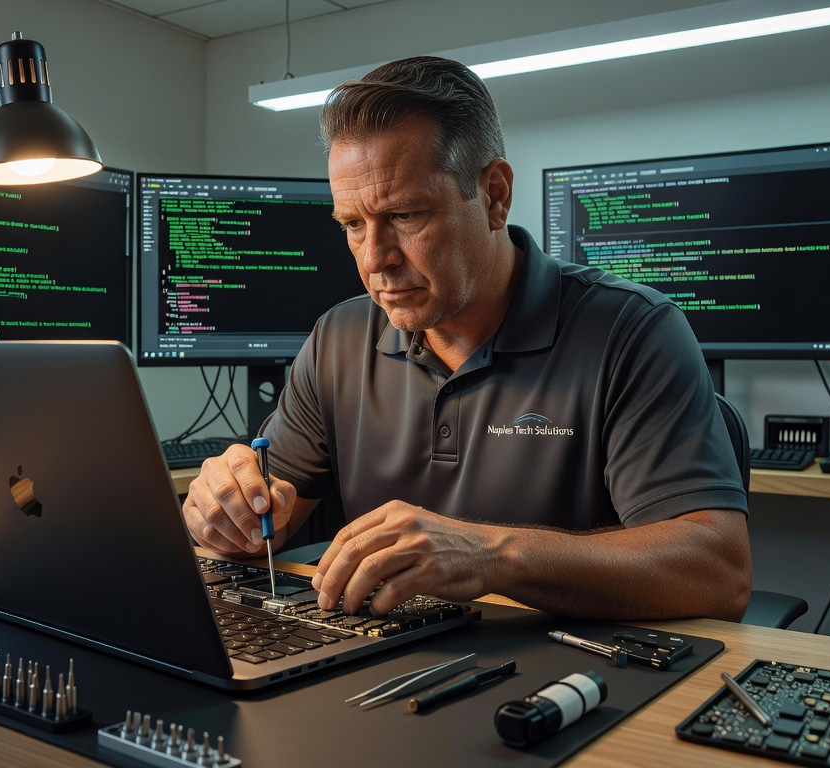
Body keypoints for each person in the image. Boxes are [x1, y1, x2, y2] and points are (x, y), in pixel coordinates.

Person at [181, 56, 750, 622]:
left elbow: (718, 572)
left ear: (495, 195)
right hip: (380, 667)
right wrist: (224, 514)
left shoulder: (632, 331)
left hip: (567, 686)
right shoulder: (339, 338)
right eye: (352, 225)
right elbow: (265, 525)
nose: (374, 258)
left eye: (404, 215)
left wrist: (492, 556)